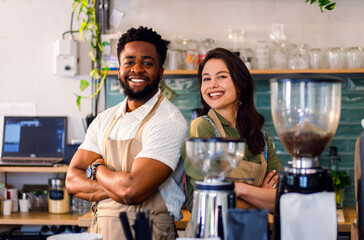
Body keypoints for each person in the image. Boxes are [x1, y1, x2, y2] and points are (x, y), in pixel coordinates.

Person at [66, 26, 188, 240]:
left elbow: (131, 191)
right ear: (119, 69)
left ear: (160, 72)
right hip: (100, 232)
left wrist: (97, 169)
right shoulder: (105, 119)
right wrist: (119, 186)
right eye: (129, 62)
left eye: (147, 63)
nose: (137, 69)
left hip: (149, 232)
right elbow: (72, 180)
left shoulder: (168, 121)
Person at [182, 47, 282, 213]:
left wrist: (240, 189)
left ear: (241, 84)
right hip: (213, 233)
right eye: (206, 79)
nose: (212, 85)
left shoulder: (261, 138)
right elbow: (207, 203)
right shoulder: (202, 127)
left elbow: (282, 200)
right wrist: (262, 197)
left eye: (221, 77)